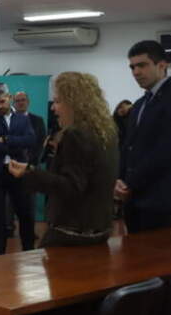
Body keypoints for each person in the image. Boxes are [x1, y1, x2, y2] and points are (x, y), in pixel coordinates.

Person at [8, 72, 118, 247]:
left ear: (75, 103)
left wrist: (30, 173)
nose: (53, 108)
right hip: (99, 230)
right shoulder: (105, 133)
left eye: (58, 101)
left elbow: (70, 186)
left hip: (72, 233)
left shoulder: (75, 135)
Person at [114, 41, 171, 232]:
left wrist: (130, 183)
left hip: (162, 198)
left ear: (162, 65)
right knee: (134, 258)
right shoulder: (140, 103)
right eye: (132, 67)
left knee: (161, 259)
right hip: (135, 197)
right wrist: (120, 179)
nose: (135, 72)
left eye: (142, 65)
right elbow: (129, 146)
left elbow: (169, 151)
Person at [0, 83, 37, 250]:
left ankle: (28, 249)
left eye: (2, 101)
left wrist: (5, 139)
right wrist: (16, 143)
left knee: (25, 213)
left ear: (10, 97)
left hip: (18, 171)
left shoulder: (23, 119)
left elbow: (30, 141)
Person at [13, 92, 46, 166]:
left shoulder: (38, 120)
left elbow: (42, 141)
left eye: (23, 100)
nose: (20, 103)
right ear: (13, 104)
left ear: (28, 102)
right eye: (17, 101)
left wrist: (33, 159)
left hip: (32, 164)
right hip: (12, 164)